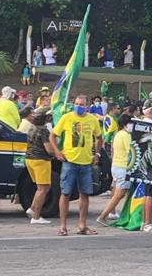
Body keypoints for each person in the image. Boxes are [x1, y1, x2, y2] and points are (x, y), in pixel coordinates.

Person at [50, 94, 103, 236]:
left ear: (87, 106)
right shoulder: (67, 118)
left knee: (84, 194)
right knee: (65, 193)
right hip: (69, 162)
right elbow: (53, 135)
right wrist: (57, 152)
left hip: (86, 163)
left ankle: (82, 225)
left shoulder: (92, 120)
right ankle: (62, 226)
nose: (79, 106)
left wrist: (96, 154)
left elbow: (99, 137)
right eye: (77, 104)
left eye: (82, 104)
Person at [97, 113, 135, 226]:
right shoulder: (126, 135)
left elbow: (113, 150)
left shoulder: (117, 134)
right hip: (123, 167)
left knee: (117, 192)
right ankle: (103, 216)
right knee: (119, 194)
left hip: (116, 165)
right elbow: (131, 151)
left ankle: (111, 212)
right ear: (126, 124)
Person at [24, 108, 55, 225]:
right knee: (43, 189)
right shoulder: (43, 131)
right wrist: (58, 152)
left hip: (30, 159)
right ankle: (36, 217)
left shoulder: (31, 128)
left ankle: (32, 208)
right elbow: (49, 149)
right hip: (40, 160)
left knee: (41, 187)